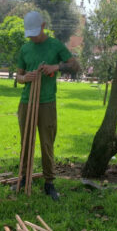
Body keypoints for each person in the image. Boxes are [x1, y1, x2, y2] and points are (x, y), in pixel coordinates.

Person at [15, 11, 79, 201]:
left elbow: (75, 66)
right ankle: (23, 178)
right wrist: (25, 78)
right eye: (30, 34)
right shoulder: (25, 49)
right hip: (26, 102)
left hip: (47, 102)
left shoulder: (56, 45)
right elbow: (18, 76)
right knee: (26, 142)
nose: (33, 38)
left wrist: (55, 67)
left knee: (47, 143)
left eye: (35, 33)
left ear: (43, 26)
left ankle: (49, 182)